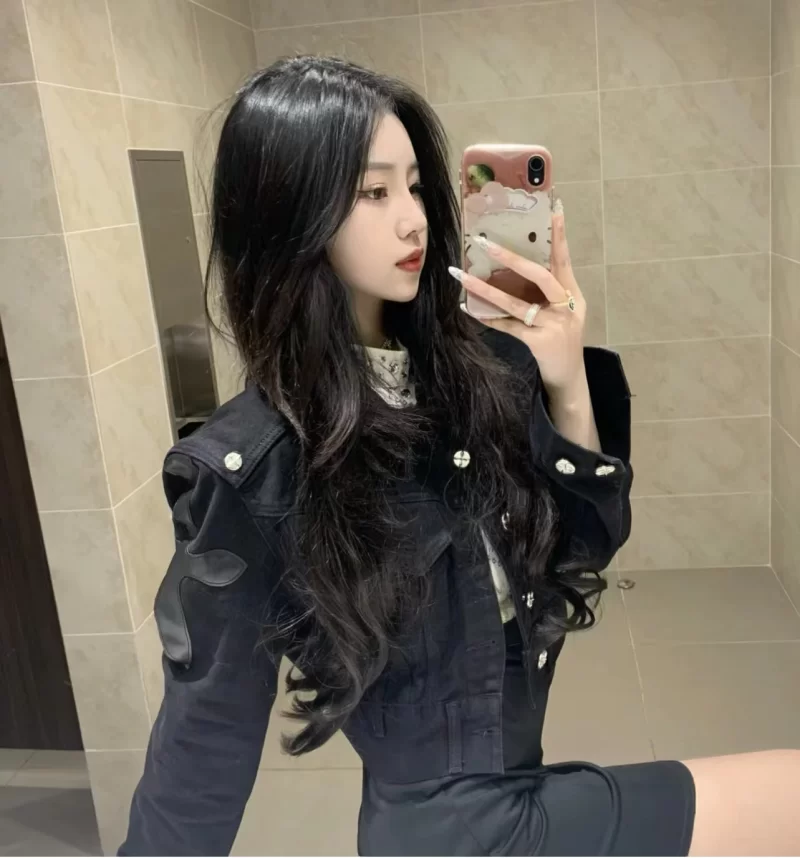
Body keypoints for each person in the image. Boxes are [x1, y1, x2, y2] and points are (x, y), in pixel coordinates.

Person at [119, 56, 800, 857]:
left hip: (512, 793)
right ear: (291, 213)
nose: (413, 220)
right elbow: (202, 745)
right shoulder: (254, 468)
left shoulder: (469, 373)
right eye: (374, 193)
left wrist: (566, 378)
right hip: (453, 828)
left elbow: (586, 544)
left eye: (415, 186)